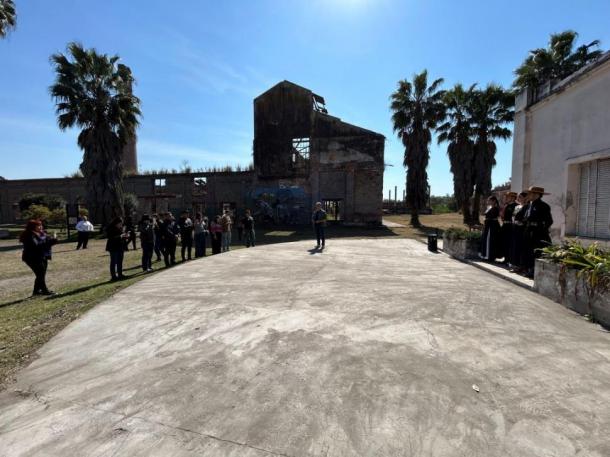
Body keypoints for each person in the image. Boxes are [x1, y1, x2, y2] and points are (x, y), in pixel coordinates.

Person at [20, 219, 58, 296]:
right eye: (38, 226)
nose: (41, 227)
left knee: (41, 274)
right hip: (32, 258)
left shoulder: (41, 233)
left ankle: (36, 291)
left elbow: (45, 242)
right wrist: (51, 241)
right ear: (32, 227)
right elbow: (38, 246)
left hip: (42, 256)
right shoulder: (29, 235)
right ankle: (45, 291)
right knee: (40, 274)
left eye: (41, 225)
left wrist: (53, 239)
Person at [523, 186, 553, 278]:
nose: (529, 195)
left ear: (537, 195)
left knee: (536, 252)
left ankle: (534, 271)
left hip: (538, 233)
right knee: (528, 251)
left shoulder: (544, 206)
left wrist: (541, 229)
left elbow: (549, 221)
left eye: (530, 193)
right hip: (529, 231)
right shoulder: (530, 205)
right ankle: (529, 269)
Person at [509, 192, 529, 273]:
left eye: (520, 197)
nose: (518, 198)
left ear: (525, 198)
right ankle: (514, 264)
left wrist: (521, 223)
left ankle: (520, 266)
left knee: (520, 247)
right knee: (514, 246)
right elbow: (513, 216)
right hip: (515, 227)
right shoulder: (517, 206)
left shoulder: (527, 206)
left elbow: (526, 218)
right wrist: (514, 222)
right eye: (518, 197)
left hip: (522, 229)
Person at [479, 196, 502, 261]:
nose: (488, 201)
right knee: (486, 240)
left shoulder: (496, 208)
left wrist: (487, 219)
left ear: (494, 201)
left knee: (491, 241)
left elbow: (493, 217)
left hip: (492, 226)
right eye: (488, 200)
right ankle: (485, 255)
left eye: (490, 200)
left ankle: (490, 256)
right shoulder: (488, 208)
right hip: (487, 226)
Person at [106, 217, 128, 281]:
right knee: (113, 262)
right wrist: (120, 236)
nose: (121, 225)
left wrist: (125, 236)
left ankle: (120, 274)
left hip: (120, 247)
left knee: (120, 261)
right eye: (120, 223)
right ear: (116, 223)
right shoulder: (111, 228)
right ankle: (113, 276)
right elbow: (111, 238)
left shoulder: (120, 228)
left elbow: (121, 237)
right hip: (113, 247)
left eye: (122, 223)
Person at [500, 192, 518, 264]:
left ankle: (509, 259)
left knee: (509, 243)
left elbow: (514, 217)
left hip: (510, 226)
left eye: (508, 197)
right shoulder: (506, 205)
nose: (506, 198)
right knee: (504, 242)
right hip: (505, 225)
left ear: (513, 197)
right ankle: (506, 258)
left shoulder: (516, 206)